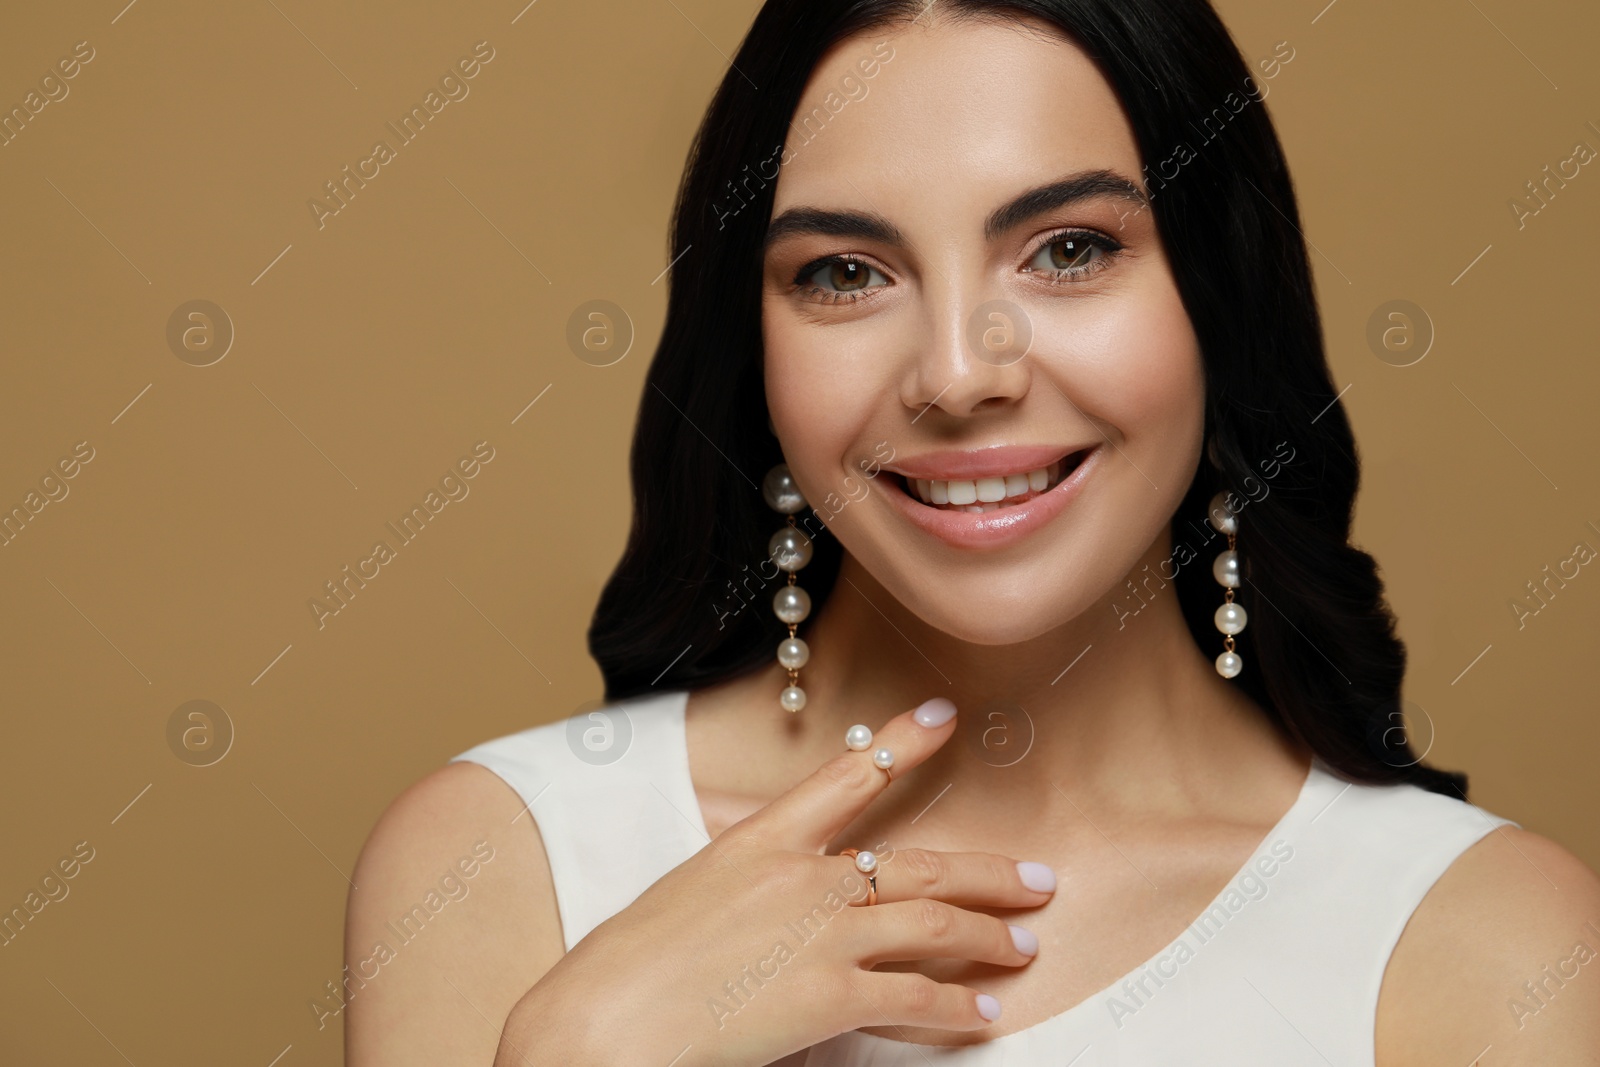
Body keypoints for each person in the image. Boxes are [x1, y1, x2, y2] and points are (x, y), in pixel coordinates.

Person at [344, 2, 1600, 1064]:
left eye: (1067, 249)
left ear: (1221, 303)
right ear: (754, 353)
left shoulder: (1484, 941)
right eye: (844, 272)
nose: (956, 374)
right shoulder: (501, 861)